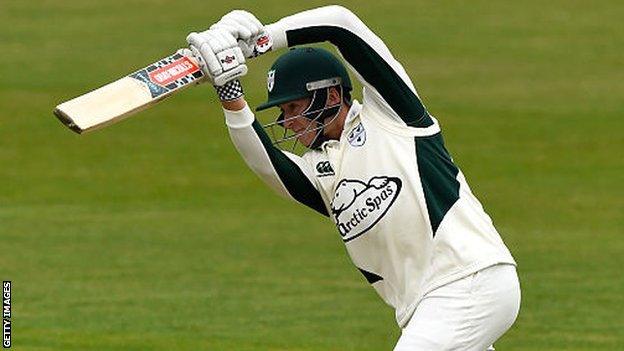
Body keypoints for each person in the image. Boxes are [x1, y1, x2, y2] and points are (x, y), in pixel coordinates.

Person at [186, 6, 520, 350]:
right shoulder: (320, 171)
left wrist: (259, 42)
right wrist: (230, 94)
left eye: (293, 108)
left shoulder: (393, 116)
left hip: (467, 280)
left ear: (331, 96)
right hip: (424, 307)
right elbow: (268, 165)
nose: (286, 122)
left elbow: (341, 23)